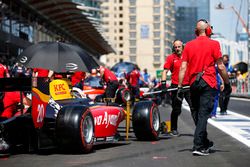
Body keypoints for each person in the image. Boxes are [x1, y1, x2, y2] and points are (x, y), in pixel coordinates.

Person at [178, 19, 231, 156]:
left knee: (196, 113)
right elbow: (220, 66)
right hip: (208, 82)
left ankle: (205, 141)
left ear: (196, 31)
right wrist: (227, 82)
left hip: (193, 83)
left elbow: (183, 67)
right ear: (208, 30)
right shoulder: (214, 44)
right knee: (203, 114)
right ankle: (199, 146)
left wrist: (179, 86)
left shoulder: (188, 45)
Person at [161, 39, 195, 136]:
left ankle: (199, 129)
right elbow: (164, 71)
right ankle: (173, 128)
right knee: (176, 109)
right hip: (176, 87)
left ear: (182, 47)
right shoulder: (171, 58)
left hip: (188, 86)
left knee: (194, 108)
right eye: (175, 47)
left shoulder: (188, 56)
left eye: (179, 46)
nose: (177, 49)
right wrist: (163, 84)